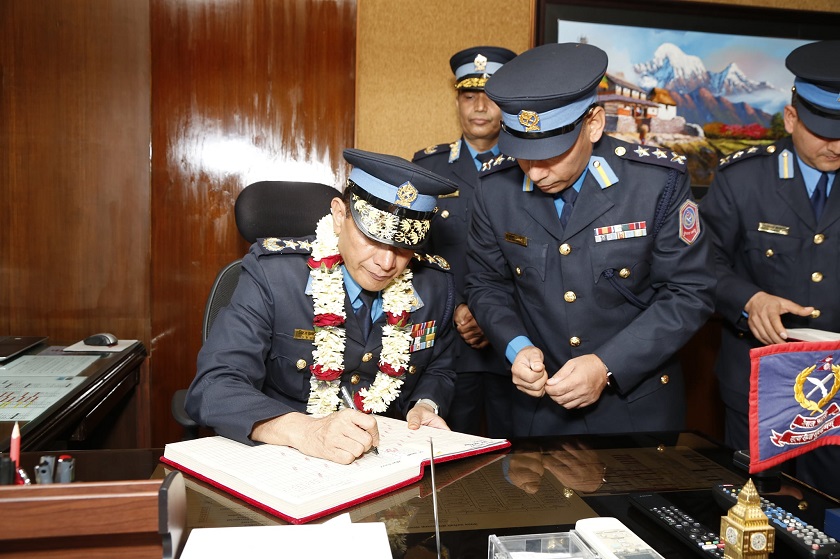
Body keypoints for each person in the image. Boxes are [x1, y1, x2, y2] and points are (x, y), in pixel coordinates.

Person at [465, 42, 716, 437]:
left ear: (594, 124)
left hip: (636, 412)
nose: (536, 173)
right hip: (538, 415)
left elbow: (690, 292)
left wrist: (607, 364)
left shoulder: (655, 184)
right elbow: (486, 284)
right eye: (524, 155)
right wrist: (516, 347)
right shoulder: (495, 190)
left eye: (551, 154)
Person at [186, 148, 459, 464]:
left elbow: (439, 366)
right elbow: (213, 387)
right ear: (340, 216)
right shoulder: (273, 276)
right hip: (288, 461)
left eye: (403, 246)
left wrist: (426, 405)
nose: (386, 262)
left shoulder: (434, 284)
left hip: (387, 461)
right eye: (373, 238)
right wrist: (304, 431)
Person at [701, 40, 840, 497]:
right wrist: (749, 299)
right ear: (792, 118)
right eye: (823, 131)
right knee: (754, 514)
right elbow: (702, 264)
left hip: (837, 389)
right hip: (758, 385)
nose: (836, 146)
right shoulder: (744, 178)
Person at [412, 45, 516, 437]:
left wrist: (494, 317)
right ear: (457, 100)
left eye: (490, 96)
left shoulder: (530, 167)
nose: (479, 106)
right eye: (469, 95)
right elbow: (414, 253)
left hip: (516, 339)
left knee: (523, 461)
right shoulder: (429, 168)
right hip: (449, 340)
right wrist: (456, 307)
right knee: (452, 457)